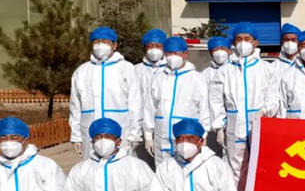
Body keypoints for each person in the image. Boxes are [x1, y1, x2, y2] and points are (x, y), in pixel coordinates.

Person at [209, 22, 279, 185]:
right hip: (234, 129)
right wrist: (219, 127)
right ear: (234, 43)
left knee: (260, 166)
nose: (243, 43)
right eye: (239, 39)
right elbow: (216, 100)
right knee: (234, 169)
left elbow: (274, 96)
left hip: (260, 127)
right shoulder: (225, 70)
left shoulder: (266, 69)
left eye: (247, 39)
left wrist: (264, 110)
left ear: (255, 42)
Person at [70, 26, 142, 160]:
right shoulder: (82, 72)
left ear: (114, 45)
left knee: (120, 168)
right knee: (92, 169)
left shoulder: (126, 69)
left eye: (105, 41)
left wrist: (134, 135)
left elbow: (135, 104)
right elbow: (75, 107)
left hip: (120, 134)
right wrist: (76, 137)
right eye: (96, 42)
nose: (100, 45)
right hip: (90, 135)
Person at [144, 36, 210, 167]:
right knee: (163, 172)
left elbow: (204, 109)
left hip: (186, 138)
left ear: (185, 54)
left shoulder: (197, 78)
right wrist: (148, 136)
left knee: (186, 171)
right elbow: (149, 107)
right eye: (168, 53)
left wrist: (204, 135)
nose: (171, 57)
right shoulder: (158, 77)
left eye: (175, 53)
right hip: (161, 138)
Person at [135, 29, 168, 167]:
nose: (154, 50)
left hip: (165, 124)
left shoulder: (170, 69)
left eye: (158, 46)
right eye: (150, 46)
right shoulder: (136, 70)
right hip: (139, 124)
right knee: (141, 165)